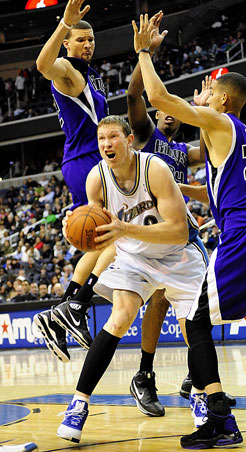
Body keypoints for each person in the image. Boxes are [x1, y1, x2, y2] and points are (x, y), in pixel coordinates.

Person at [132, 13, 246, 449]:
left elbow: (157, 97)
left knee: (196, 322)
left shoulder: (219, 122)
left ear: (223, 101)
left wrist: (145, 52)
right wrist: (174, 186)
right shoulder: (244, 135)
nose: (202, 95)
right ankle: (219, 417)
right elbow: (217, 189)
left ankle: (220, 420)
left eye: (209, 91)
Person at [56, 115, 207, 443]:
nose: (107, 144)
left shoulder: (154, 169)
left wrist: (125, 228)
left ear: (129, 141)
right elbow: (95, 229)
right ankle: (78, 404)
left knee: (191, 328)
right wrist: (76, 225)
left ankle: (200, 395)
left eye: (113, 137)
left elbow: (179, 230)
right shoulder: (96, 179)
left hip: (178, 253)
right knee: (120, 317)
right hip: (134, 256)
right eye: (101, 139)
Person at [126, 12, 209, 415]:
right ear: (158, 117)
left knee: (198, 296)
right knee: (157, 299)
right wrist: (143, 55)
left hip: (179, 228)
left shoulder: (182, 151)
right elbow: (132, 99)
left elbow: (207, 153)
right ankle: (144, 373)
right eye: (165, 111)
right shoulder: (147, 136)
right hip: (147, 225)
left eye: (177, 111)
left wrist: (203, 112)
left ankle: (197, 372)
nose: (170, 114)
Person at [34, 0, 113, 362]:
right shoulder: (66, 71)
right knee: (119, 234)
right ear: (67, 43)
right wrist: (64, 22)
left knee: (102, 243)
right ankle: (77, 305)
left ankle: (61, 312)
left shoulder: (92, 75)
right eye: (81, 39)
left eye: (91, 39)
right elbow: (42, 64)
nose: (88, 44)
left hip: (92, 161)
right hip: (85, 161)